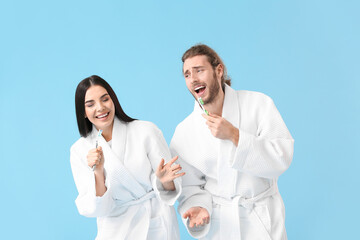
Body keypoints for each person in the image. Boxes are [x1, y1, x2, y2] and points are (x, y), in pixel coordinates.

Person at [170, 44, 294, 239]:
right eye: (187, 75)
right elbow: (189, 186)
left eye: (199, 71)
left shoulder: (259, 105)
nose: (193, 79)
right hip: (220, 224)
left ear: (219, 70)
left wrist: (235, 135)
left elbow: (281, 157)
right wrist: (198, 207)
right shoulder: (185, 131)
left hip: (261, 219)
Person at [70, 75, 184, 240]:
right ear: (84, 113)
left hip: (155, 222)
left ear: (113, 100)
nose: (100, 108)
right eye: (91, 104)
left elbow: (172, 190)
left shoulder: (145, 130)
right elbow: (97, 208)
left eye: (105, 99)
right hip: (115, 230)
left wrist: (164, 181)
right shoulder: (79, 150)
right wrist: (98, 172)